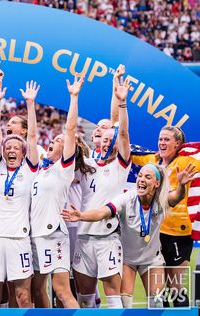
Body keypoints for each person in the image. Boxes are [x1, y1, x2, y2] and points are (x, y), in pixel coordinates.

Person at [63, 163, 197, 308]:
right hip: (127, 260)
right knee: (126, 304)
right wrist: (81, 215)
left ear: (157, 183)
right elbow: (103, 212)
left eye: (147, 177)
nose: (141, 179)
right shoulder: (127, 199)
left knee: (157, 303)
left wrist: (182, 186)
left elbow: (176, 197)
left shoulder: (161, 199)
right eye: (140, 176)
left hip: (152, 259)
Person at [73, 75, 132, 308]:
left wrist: (121, 100)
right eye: (102, 137)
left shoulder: (121, 164)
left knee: (112, 296)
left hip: (107, 238)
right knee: (85, 298)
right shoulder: (88, 162)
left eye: (110, 138)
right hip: (83, 235)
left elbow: (121, 130)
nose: (106, 141)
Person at [0, 80, 40, 308]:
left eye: (16, 147)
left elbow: (33, 136)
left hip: (19, 239)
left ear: (23, 151)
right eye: (8, 148)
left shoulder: (29, 169)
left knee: (23, 297)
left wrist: (30, 103)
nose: (11, 149)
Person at [30, 74, 84, 308]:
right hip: (33, 234)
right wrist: (30, 104)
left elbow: (70, 129)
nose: (54, 139)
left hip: (53, 234)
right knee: (37, 290)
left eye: (60, 140)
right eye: (55, 137)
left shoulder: (64, 169)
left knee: (61, 291)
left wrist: (73, 97)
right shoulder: (41, 168)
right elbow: (31, 137)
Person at [132, 126, 200, 307]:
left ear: (178, 144)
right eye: (160, 139)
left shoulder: (186, 160)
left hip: (178, 233)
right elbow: (130, 153)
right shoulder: (153, 161)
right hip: (155, 233)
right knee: (158, 288)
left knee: (175, 287)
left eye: (166, 140)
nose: (162, 142)